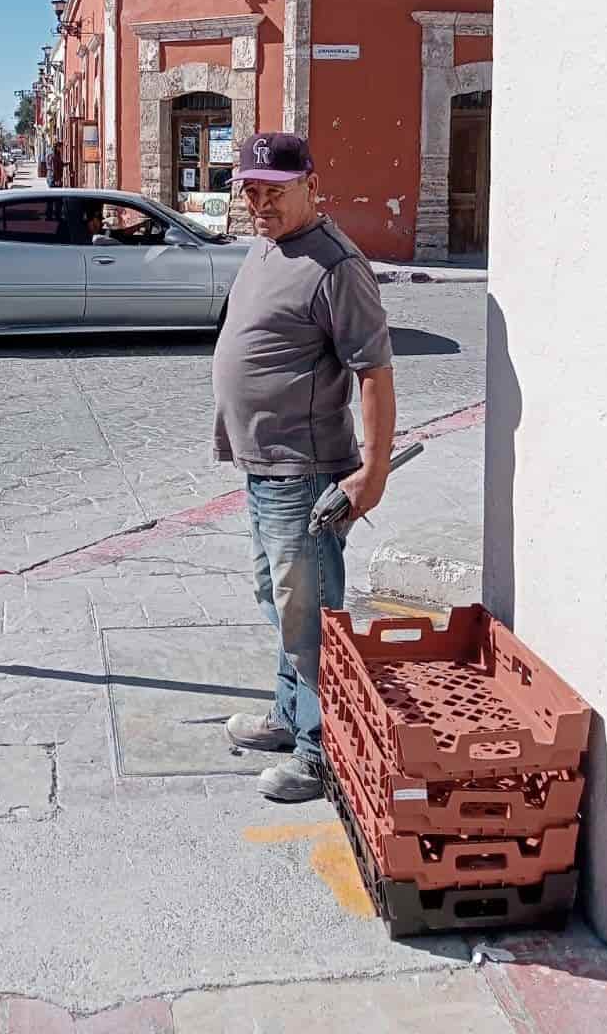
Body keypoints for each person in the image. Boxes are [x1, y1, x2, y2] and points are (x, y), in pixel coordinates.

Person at [212, 133, 395, 802]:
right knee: (281, 603)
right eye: (251, 191)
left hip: (306, 470)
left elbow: (374, 371)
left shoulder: (336, 265)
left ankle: (320, 753)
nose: (260, 203)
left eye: (274, 191)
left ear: (310, 184)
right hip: (266, 466)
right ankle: (290, 719)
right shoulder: (269, 245)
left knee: (311, 615)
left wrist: (371, 473)